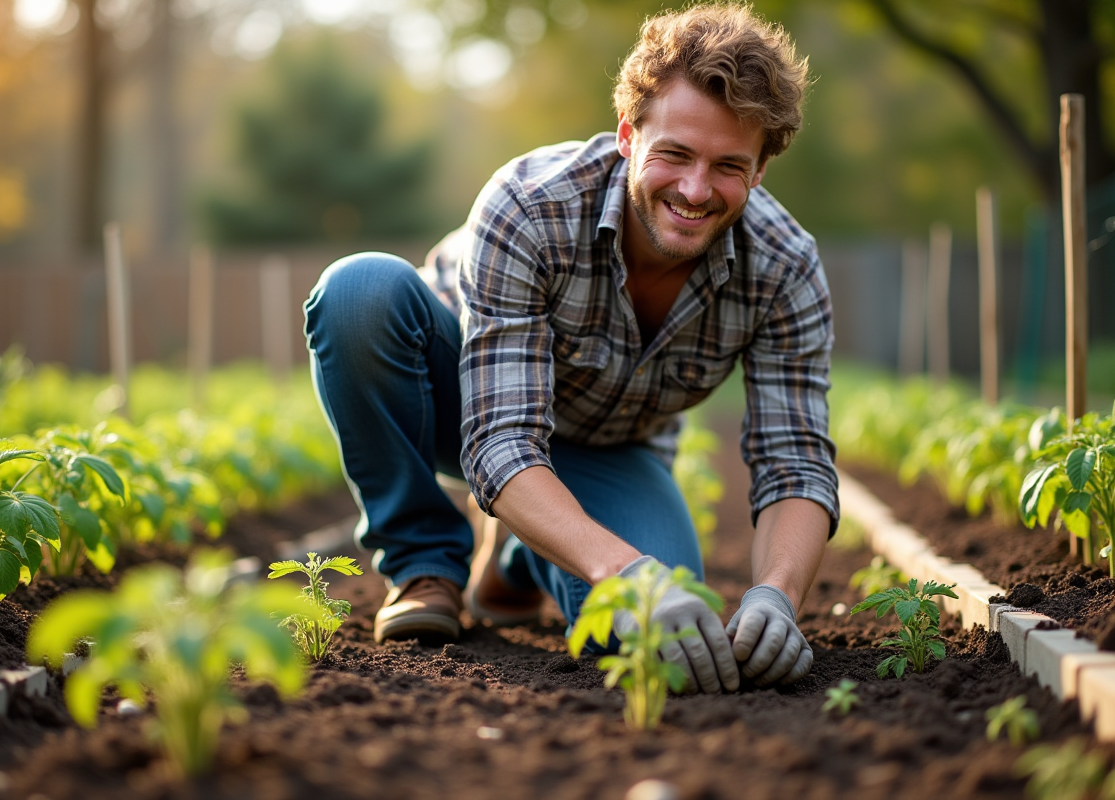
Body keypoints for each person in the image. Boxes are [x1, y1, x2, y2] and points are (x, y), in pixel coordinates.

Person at [303, 2, 838, 693]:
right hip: (461, 398)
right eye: (674, 153)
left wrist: (778, 596)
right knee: (359, 294)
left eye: (728, 166)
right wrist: (624, 569)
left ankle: (521, 558)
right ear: (627, 136)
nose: (696, 189)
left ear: (760, 172)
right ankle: (424, 564)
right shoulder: (531, 204)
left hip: (609, 446)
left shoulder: (785, 267)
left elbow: (795, 462)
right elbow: (499, 441)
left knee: (646, 636)